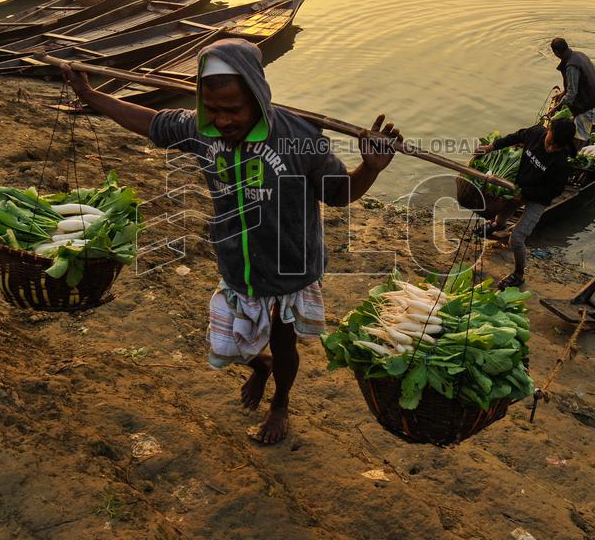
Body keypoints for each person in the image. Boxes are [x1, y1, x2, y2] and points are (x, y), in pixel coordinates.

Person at [60, 39, 401, 445]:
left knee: (283, 341)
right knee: (229, 342)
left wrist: (370, 168)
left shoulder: (299, 137)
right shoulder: (200, 129)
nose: (222, 120)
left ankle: (280, 403)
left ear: (258, 96)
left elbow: (340, 194)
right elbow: (151, 123)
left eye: (233, 109)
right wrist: (90, 95)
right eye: (213, 109)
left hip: (291, 263)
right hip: (236, 259)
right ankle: (260, 367)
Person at [474, 118, 576, 290]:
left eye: (556, 147)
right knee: (501, 215)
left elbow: (554, 191)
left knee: (517, 238)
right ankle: (497, 225)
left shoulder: (562, 163)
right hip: (520, 185)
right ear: (549, 130)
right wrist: (491, 147)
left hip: (538, 197)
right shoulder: (535, 133)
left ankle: (519, 273)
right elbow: (515, 137)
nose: (551, 149)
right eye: (550, 143)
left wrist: (524, 193)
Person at [548, 37, 595, 146]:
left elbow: (572, 94)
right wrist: (563, 93)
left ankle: (579, 150)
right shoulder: (579, 54)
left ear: (556, 52)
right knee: (577, 124)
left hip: (591, 102)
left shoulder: (571, 66)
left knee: (580, 135)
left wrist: (556, 107)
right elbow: (575, 83)